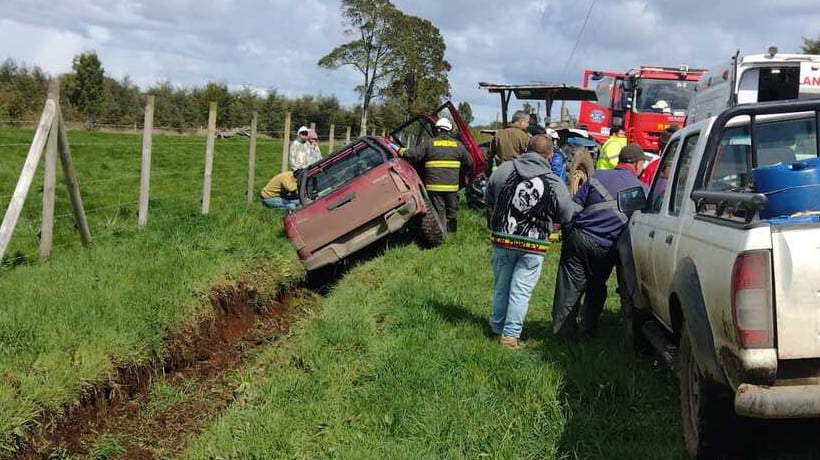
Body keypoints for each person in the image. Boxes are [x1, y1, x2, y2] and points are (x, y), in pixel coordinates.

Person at [552, 142, 650, 338]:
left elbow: (574, 209)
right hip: (606, 247)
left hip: (579, 239)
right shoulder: (643, 190)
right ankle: (588, 331)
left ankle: (562, 333)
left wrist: (568, 232)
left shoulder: (597, 177)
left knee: (568, 286)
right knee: (596, 286)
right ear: (638, 164)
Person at [486, 134, 575, 349]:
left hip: (502, 239)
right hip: (533, 245)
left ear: (526, 149)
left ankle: (496, 329)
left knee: (501, 287)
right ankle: (510, 336)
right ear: (549, 155)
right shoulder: (553, 180)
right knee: (521, 290)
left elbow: (489, 197)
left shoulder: (504, 170)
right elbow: (567, 213)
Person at [402, 117, 473, 232]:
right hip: (451, 187)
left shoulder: (429, 143)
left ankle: (441, 234)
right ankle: (452, 234)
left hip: (434, 186)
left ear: (437, 130)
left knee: (439, 211)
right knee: (452, 211)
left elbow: (413, 155)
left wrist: (401, 151)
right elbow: (470, 163)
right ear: (449, 131)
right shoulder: (458, 145)